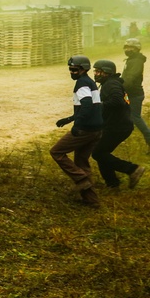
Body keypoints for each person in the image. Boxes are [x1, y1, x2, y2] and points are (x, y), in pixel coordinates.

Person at [50, 55, 103, 207]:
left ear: (83, 69)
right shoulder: (90, 82)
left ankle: (81, 179)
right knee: (81, 162)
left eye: (74, 69)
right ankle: (91, 200)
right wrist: (69, 119)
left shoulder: (81, 83)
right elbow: (90, 106)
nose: (72, 72)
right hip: (97, 129)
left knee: (56, 152)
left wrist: (77, 125)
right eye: (70, 69)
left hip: (86, 129)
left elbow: (86, 105)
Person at [91, 59, 145, 189]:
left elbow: (117, 102)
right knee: (102, 152)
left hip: (117, 127)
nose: (96, 74)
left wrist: (98, 106)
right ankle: (112, 183)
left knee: (98, 153)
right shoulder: (110, 83)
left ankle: (132, 170)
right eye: (95, 71)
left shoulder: (112, 85)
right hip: (118, 125)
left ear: (107, 73)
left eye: (99, 71)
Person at [122, 38, 150, 153]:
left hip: (134, 94)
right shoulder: (132, 60)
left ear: (137, 49)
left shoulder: (136, 61)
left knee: (135, 118)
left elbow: (131, 78)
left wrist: (121, 86)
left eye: (131, 48)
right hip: (129, 93)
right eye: (126, 47)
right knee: (123, 115)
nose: (128, 50)